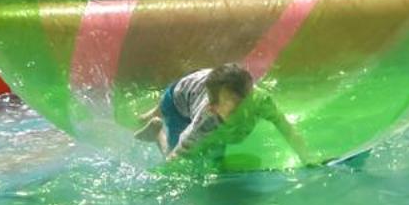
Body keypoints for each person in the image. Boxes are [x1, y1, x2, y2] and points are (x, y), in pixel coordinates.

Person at [134, 63, 312, 165]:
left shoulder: (261, 102)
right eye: (214, 103)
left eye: (227, 103)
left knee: (215, 161)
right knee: (182, 156)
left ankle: (152, 113)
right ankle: (157, 132)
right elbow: (175, 160)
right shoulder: (207, 121)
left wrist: (307, 159)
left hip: (199, 84)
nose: (212, 108)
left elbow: (286, 129)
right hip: (178, 102)